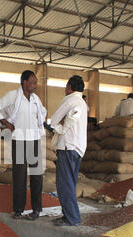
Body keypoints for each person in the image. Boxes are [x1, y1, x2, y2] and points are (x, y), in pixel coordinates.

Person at [0, 70, 47, 221]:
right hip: (20, 140)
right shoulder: (13, 95)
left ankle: (36, 209)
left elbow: (43, 112)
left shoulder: (35, 99)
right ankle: (18, 209)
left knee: (36, 176)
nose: (35, 85)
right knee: (19, 177)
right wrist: (7, 123)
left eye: (36, 82)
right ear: (25, 82)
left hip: (34, 140)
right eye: (33, 82)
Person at [50, 76, 88, 227]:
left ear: (69, 87)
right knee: (70, 183)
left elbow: (53, 120)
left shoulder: (70, 99)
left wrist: (57, 125)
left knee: (64, 184)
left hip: (67, 146)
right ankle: (69, 215)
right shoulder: (82, 103)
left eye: (66, 86)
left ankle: (72, 218)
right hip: (78, 148)